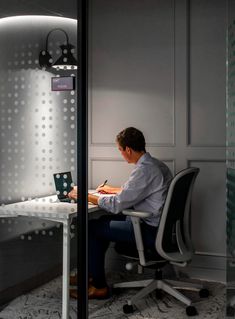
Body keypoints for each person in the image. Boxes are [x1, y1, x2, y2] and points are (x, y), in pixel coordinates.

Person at [68, 127, 172, 299]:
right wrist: (112, 190)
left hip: (149, 230)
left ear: (128, 150)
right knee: (101, 221)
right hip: (161, 228)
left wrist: (85, 196)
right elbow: (139, 192)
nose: (121, 154)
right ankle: (90, 276)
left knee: (91, 227)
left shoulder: (144, 170)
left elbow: (117, 205)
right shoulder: (156, 165)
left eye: (120, 150)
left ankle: (99, 286)